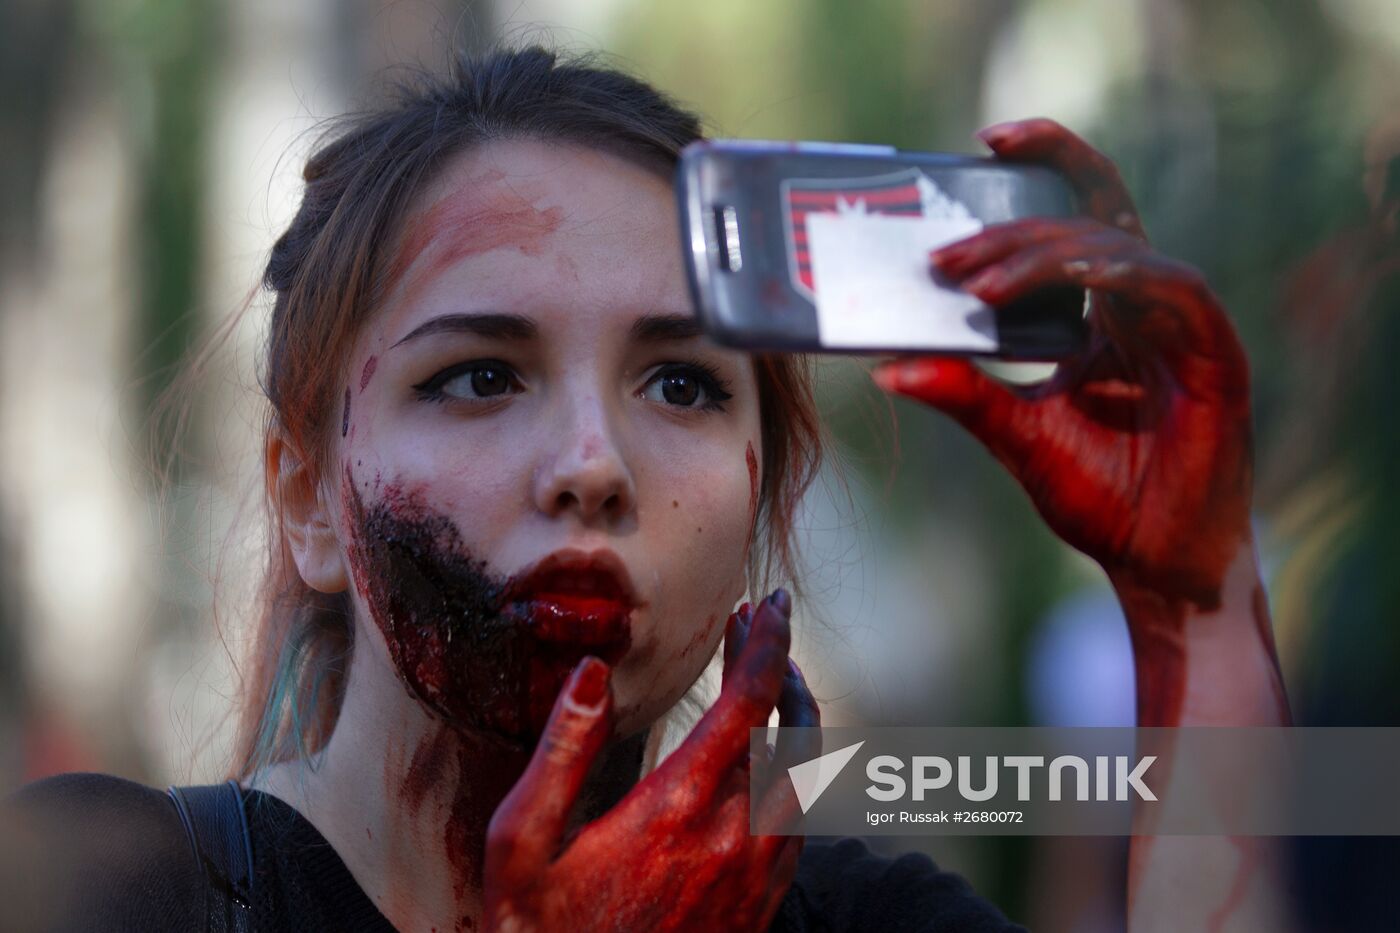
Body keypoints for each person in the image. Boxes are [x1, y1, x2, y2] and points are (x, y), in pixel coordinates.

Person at [1, 44, 1293, 932]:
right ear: (305, 499)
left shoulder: (864, 918)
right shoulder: (93, 889)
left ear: (762, 489)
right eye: (480, 376)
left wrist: (1195, 605)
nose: (593, 464)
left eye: (680, 384)